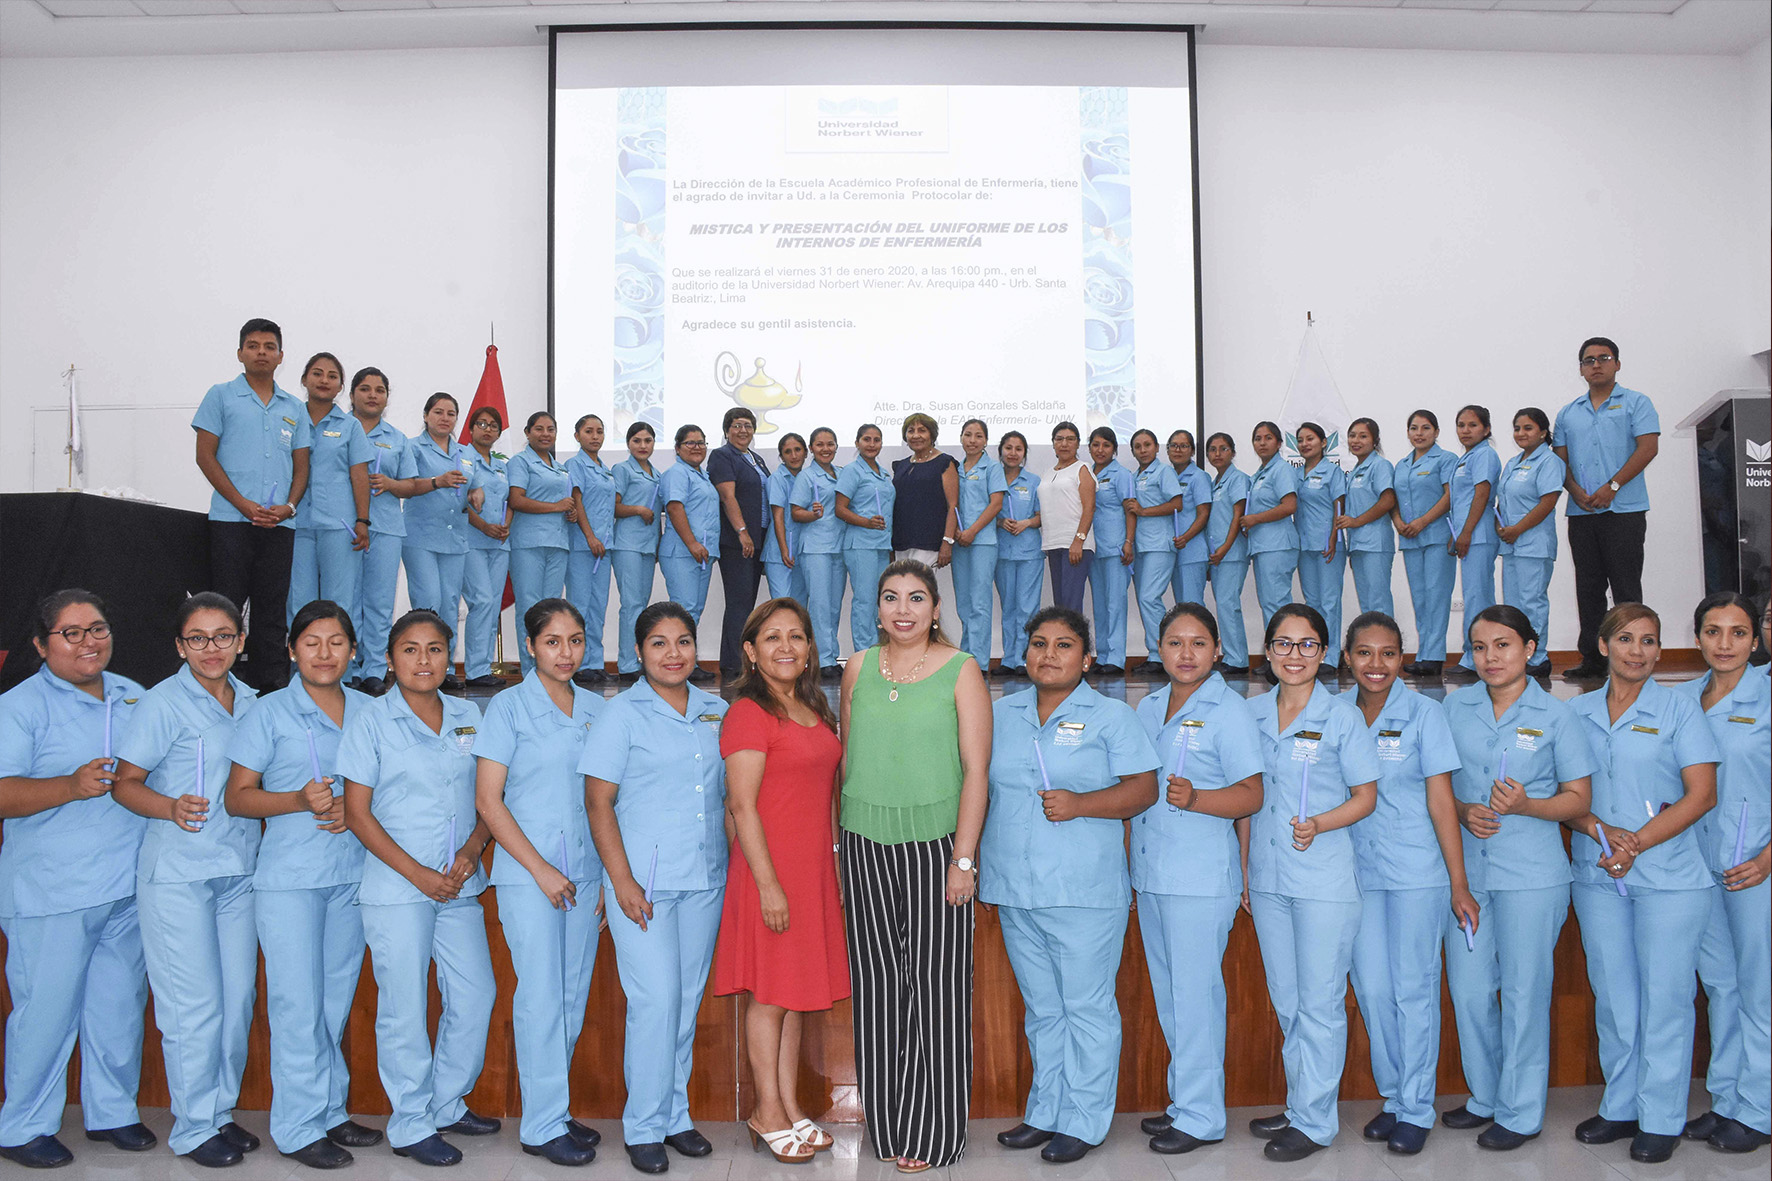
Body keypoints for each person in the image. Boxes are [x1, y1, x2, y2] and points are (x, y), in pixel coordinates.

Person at [985, 607, 1158, 1164]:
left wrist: (1082, 804)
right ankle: (1046, 1111)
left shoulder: (1110, 717)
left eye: (1063, 646)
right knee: (1043, 1008)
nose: (1048, 654)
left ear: (1086, 659)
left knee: (1085, 1008)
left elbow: (1143, 791)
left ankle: (1084, 1120)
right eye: (1039, 643)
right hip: (1015, 887)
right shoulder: (999, 714)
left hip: (1084, 890)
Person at [839, 561, 990, 1172]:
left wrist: (964, 859)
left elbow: (976, 772)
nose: (903, 609)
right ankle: (890, 1126)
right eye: (891, 598)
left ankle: (935, 1132)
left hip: (938, 849)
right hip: (863, 846)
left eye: (917, 598)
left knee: (937, 993)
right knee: (878, 994)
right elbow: (848, 759)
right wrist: (836, 845)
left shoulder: (962, 669)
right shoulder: (856, 668)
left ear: (934, 609)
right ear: (877, 608)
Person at [339, 609, 499, 1168]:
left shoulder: (468, 714)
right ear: (389, 658)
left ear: (448, 655)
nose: (423, 660)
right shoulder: (371, 721)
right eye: (410, 649)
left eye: (435, 649)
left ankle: (445, 1103)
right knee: (404, 1007)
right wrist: (418, 873)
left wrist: (472, 850)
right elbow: (357, 815)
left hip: (459, 883)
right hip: (398, 888)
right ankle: (410, 1122)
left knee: (476, 995)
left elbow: (490, 798)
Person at [224, 600, 381, 1169]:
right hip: (290, 880)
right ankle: (296, 1127)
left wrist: (360, 811)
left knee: (333, 1002)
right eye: (311, 642)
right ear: (291, 650)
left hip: (353, 875)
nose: (324, 653)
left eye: (336, 641)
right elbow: (237, 798)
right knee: (297, 1004)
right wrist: (296, 800)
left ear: (353, 649)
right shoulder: (268, 713)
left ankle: (329, 1110)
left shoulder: (372, 711)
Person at [0, 591, 153, 1171]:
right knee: (46, 1012)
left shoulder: (133, 694)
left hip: (125, 884)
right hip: (51, 892)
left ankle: (111, 1113)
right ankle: (23, 1126)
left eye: (98, 628)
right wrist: (69, 785)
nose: (89, 642)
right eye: (71, 633)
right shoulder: (20, 707)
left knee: (118, 1005)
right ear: (41, 645)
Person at [111, 592, 261, 1168]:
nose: (211, 648)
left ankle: (219, 1112)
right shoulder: (160, 703)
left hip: (238, 870)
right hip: (178, 874)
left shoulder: (252, 702)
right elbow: (126, 782)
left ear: (241, 642)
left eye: (223, 636)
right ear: (180, 646)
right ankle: (195, 1127)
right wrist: (169, 806)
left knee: (237, 999)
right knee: (192, 1007)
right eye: (196, 639)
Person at [1565, 604, 1718, 1165]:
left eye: (1649, 641)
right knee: (1616, 998)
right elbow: (1564, 796)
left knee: (1666, 1000)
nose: (1638, 650)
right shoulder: (1574, 713)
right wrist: (1601, 832)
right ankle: (1621, 1104)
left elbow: (1702, 794)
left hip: (1670, 879)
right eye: (1625, 639)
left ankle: (1660, 1117)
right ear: (1603, 647)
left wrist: (1637, 843)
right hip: (1599, 874)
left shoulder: (1679, 710)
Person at [581, 602, 729, 1175]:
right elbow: (598, 802)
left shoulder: (717, 710)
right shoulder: (622, 715)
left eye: (684, 641)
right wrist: (620, 880)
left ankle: (674, 1116)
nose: (674, 653)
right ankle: (643, 1125)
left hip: (704, 879)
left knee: (685, 1005)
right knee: (655, 1003)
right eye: (660, 643)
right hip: (641, 885)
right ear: (640, 652)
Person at [1439, 604, 1594, 1151]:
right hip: (1467, 874)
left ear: (1530, 648)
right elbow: (1439, 789)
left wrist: (1527, 805)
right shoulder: (1453, 709)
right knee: (1470, 988)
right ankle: (1485, 1096)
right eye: (1479, 647)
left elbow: (1579, 799)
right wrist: (1461, 811)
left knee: (1526, 993)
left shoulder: (1557, 716)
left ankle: (1521, 1111)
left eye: (1502, 645)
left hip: (1532, 876)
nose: (1490, 657)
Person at [1242, 603, 1379, 1162]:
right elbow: (1247, 802)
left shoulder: (1343, 717)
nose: (1293, 655)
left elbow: (1366, 797)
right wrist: (1249, 872)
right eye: (1283, 643)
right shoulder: (1249, 713)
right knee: (1288, 1000)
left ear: (1323, 654)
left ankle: (1316, 1121)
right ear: (1267, 651)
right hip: (1269, 880)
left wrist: (1320, 823)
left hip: (1323, 880)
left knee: (1320, 1003)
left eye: (1306, 645)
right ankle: (1303, 1101)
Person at [713, 599, 848, 1163]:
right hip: (769, 872)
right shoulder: (748, 713)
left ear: (810, 647)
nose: (786, 646)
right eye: (772, 637)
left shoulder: (815, 707)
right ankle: (765, 1111)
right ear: (750, 650)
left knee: (793, 997)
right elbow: (742, 808)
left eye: (797, 636)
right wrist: (768, 885)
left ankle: (789, 1106)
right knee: (770, 998)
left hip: (812, 871)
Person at [474, 600, 604, 1167]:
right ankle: (540, 1123)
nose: (566, 652)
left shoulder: (600, 708)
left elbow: (608, 799)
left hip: (587, 874)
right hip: (530, 876)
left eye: (575, 641)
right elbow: (488, 800)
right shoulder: (507, 708)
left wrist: (605, 875)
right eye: (553, 642)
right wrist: (541, 869)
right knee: (542, 997)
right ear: (530, 646)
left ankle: (552, 1105)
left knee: (572, 996)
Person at [1130, 603, 1263, 1156]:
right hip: (1154, 874)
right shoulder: (1149, 706)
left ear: (1218, 651)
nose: (1186, 654)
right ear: (1160, 649)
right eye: (1175, 643)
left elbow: (1252, 794)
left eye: (1198, 644)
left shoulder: (1229, 711)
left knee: (1195, 997)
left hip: (1200, 879)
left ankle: (1203, 1115)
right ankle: (1185, 1102)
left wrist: (1201, 798)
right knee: (1170, 997)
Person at [1341, 612, 1471, 1156]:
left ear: (1401, 658)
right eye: (1365, 653)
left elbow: (1443, 803)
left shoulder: (1424, 715)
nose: (1377, 664)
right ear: (1347, 657)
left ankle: (1416, 1107)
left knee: (1413, 989)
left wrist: (1459, 884)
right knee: (1372, 989)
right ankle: (1394, 1096)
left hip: (1417, 872)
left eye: (1389, 653)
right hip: (1355, 873)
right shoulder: (1332, 716)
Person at [1681, 592, 1771, 1154]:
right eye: (1713, 632)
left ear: (1755, 641)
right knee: (1721, 986)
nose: (1725, 644)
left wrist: (1767, 858)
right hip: (1698, 866)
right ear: (1697, 639)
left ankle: (1759, 1108)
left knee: (1760, 990)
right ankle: (1727, 1101)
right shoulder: (1683, 700)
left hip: (1755, 866)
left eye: (1738, 633)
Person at [192, 318, 310, 692]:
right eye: (254, 345)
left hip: (279, 526)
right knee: (224, 609)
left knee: (272, 611)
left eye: (269, 346)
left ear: (280, 356)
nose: (262, 352)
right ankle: (217, 686)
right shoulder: (221, 396)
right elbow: (205, 457)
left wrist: (289, 508)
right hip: (230, 521)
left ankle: (272, 689)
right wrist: (243, 504)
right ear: (240, 352)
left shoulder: (294, 407)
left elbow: (302, 467)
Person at [1555, 338, 1661, 680]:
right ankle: (1593, 659)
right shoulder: (1568, 413)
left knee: (1626, 587)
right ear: (1581, 369)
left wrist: (1612, 487)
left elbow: (1647, 448)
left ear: (1617, 363)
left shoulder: (1636, 403)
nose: (1596, 364)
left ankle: (1634, 657)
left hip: (1625, 511)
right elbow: (1560, 461)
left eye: (1604, 358)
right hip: (1582, 513)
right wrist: (1575, 491)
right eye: (1588, 360)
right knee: (1588, 588)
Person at [288, 351, 371, 630]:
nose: (324, 380)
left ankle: (341, 674)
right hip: (294, 523)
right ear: (304, 379)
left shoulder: (350, 426)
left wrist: (362, 520)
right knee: (299, 603)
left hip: (339, 525)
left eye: (332, 376)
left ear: (340, 387)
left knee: (339, 603)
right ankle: (300, 672)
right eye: (317, 373)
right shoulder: (289, 418)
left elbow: (359, 475)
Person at [402, 393, 476, 692]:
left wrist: (476, 494)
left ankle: (444, 668)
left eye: (451, 413)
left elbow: (475, 485)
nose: (445, 418)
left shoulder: (466, 452)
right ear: (426, 415)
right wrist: (437, 481)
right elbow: (407, 486)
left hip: (455, 538)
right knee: (428, 602)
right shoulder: (413, 447)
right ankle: (421, 668)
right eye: (438, 412)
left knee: (449, 606)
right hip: (421, 537)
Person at [351, 366, 412, 696]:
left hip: (386, 529)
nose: (372, 394)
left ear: (386, 398)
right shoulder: (339, 429)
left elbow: (411, 484)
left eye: (379, 390)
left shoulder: (397, 439)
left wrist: (391, 484)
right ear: (352, 395)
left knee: (377, 603)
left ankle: (373, 668)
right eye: (365, 388)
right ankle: (346, 667)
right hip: (343, 527)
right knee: (346, 600)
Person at [1496, 409, 1565, 679]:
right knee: (1513, 606)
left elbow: (1547, 503)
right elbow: (1502, 500)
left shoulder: (1549, 461)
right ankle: (1517, 657)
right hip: (1511, 544)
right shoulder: (1513, 462)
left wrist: (1517, 529)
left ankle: (1537, 658)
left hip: (1534, 545)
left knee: (1532, 604)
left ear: (1543, 432)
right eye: (1517, 428)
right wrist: (1501, 526)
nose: (1521, 434)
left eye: (1528, 428)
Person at [507, 412, 575, 677]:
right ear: (527, 432)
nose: (545, 434)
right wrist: (556, 506)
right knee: (529, 606)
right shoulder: (520, 462)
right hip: (529, 543)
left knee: (551, 609)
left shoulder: (559, 467)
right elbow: (516, 500)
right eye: (539, 429)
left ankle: (548, 668)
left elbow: (563, 502)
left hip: (558, 543)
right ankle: (530, 670)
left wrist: (570, 512)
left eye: (550, 429)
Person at [1391, 410, 1457, 677]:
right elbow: (1392, 499)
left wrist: (1423, 521)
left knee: (1437, 596)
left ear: (1437, 432)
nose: (1419, 433)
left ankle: (1434, 656)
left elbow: (1450, 496)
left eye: (1426, 428)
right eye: (1414, 428)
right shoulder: (1402, 464)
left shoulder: (1446, 459)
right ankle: (1423, 654)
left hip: (1437, 536)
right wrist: (1397, 520)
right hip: (1409, 539)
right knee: (1420, 598)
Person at [709, 407, 771, 677]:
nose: (742, 430)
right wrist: (742, 531)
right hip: (738, 542)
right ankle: (735, 664)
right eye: (736, 425)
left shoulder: (755, 459)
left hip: (757, 540)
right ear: (726, 430)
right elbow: (728, 497)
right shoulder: (722, 456)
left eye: (747, 425)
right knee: (739, 604)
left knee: (746, 603)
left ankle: (734, 661)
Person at [657, 424, 720, 683]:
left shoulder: (701, 475)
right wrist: (693, 543)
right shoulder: (676, 474)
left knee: (694, 609)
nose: (697, 448)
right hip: (682, 551)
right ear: (677, 448)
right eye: (690, 443)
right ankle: (679, 663)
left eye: (701, 443)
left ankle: (687, 662)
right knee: (684, 610)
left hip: (703, 553)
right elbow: (674, 509)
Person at [790, 427, 846, 679]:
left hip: (838, 546)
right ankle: (822, 661)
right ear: (811, 448)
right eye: (820, 444)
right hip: (815, 548)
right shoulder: (806, 477)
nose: (826, 449)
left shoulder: (843, 474)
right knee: (820, 605)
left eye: (830, 444)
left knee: (834, 606)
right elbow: (795, 513)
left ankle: (831, 656)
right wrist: (812, 514)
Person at [461, 406, 511, 690]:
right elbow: (460, 500)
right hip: (472, 541)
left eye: (493, 425)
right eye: (482, 423)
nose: (488, 429)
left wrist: (506, 525)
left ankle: (483, 666)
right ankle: (474, 669)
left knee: (491, 606)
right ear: (471, 428)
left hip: (500, 543)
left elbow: (511, 500)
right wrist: (483, 526)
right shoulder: (462, 458)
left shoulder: (502, 464)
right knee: (481, 601)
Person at [835, 423, 896, 655]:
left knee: (881, 600)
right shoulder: (852, 470)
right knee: (864, 600)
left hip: (881, 544)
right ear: (857, 442)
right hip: (860, 544)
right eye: (867, 439)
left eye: (876, 440)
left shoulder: (884, 473)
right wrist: (866, 522)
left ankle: (879, 649)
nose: (872, 444)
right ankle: (864, 652)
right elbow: (840, 509)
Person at [1291, 423, 1348, 671]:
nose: (1305, 444)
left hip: (1328, 543)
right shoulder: (1295, 473)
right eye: (1301, 440)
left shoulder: (1332, 472)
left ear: (1324, 443)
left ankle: (1331, 655)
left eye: (1310, 439)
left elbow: (1339, 506)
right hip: (1304, 545)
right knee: (1312, 602)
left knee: (1330, 601)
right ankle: (1315, 652)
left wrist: (1334, 536)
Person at [952, 419, 1007, 673]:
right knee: (963, 602)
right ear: (961, 438)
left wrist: (973, 531)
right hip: (959, 542)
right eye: (968, 435)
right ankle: (966, 658)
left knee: (980, 603)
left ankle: (980, 662)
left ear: (986, 441)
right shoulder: (955, 468)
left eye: (978, 436)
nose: (972, 440)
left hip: (982, 541)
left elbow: (996, 504)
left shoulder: (993, 468)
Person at [1242, 422, 1298, 667]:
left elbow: (1289, 506)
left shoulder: (1281, 470)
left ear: (1279, 443)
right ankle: (1277, 654)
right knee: (1269, 603)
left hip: (1278, 545)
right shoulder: (1260, 474)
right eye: (1257, 438)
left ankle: (1284, 655)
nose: (1262, 443)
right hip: (1264, 546)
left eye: (1268, 438)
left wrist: (1255, 518)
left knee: (1277, 604)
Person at [1449, 406, 1500, 676]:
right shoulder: (1466, 458)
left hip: (1478, 537)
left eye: (1472, 425)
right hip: (1467, 536)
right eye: (1461, 425)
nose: (1465, 430)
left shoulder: (1485, 456)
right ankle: (1478, 655)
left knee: (1478, 598)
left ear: (1486, 429)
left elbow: (1482, 495)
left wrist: (1466, 532)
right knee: (1474, 596)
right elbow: (1459, 501)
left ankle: (1474, 658)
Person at [566, 414, 617, 686]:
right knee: (580, 606)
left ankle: (595, 662)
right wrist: (590, 537)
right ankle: (579, 663)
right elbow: (577, 501)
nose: (595, 436)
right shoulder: (575, 465)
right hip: (583, 546)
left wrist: (602, 540)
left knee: (598, 606)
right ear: (577, 436)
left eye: (599, 431)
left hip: (604, 547)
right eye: (588, 431)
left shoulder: (605, 468)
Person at [1129, 430, 1185, 672]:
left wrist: (1145, 511)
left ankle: (1163, 655)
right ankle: (1155, 653)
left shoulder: (1164, 471)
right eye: (1138, 446)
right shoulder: (1134, 476)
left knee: (1149, 597)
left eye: (1147, 445)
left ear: (1156, 448)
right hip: (1142, 545)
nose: (1143, 450)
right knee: (1146, 600)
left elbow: (1177, 503)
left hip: (1160, 544)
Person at [611, 422, 663, 684]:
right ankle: (627, 664)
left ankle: (638, 660)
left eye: (648, 441)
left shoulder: (657, 474)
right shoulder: (622, 469)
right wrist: (639, 510)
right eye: (637, 441)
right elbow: (614, 507)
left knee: (641, 607)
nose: (643, 446)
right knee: (631, 605)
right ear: (628, 444)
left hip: (647, 547)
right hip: (627, 545)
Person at [1084, 428, 1136, 674]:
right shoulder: (1086, 474)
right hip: (1093, 549)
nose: (1100, 450)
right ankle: (1102, 656)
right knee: (1100, 605)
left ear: (1114, 449)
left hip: (1116, 548)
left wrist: (1128, 541)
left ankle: (1116, 658)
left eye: (1106, 445)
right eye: (1095, 445)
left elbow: (1130, 510)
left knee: (1115, 604)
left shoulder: (1121, 474)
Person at [1334, 418, 1395, 619]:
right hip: (1359, 545)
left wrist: (1356, 521)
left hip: (1375, 544)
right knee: (1367, 603)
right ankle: (1370, 648)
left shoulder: (1380, 465)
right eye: (1352, 436)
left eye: (1363, 436)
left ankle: (1387, 649)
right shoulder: (1354, 472)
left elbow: (1387, 501)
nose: (1356, 440)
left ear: (1375, 440)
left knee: (1379, 601)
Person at [994, 431, 1044, 678]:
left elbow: (1043, 515)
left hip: (1029, 553)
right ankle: (1008, 658)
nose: (1013, 453)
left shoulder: (1034, 481)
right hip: (1002, 552)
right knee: (1009, 608)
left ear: (1025, 453)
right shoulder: (992, 478)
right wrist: (1000, 522)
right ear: (1001, 450)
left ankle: (1024, 660)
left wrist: (1026, 523)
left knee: (1027, 608)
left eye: (1018, 449)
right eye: (1008, 448)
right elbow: (984, 511)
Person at [1204, 433, 1252, 674]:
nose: (1217, 454)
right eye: (1212, 450)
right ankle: (1234, 656)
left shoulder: (1238, 479)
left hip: (1231, 553)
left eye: (1223, 449)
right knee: (1224, 604)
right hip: (1218, 556)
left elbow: (1238, 516)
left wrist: (1224, 548)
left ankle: (1237, 660)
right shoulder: (1216, 482)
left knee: (1227, 603)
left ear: (1233, 452)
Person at [890, 412, 960, 569]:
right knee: (904, 590)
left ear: (932, 435)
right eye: (911, 430)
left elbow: (953, 505)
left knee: (920, 589)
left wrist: (947, 541)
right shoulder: (901, 466)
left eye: (922, 430)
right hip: (901, 542)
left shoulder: (944, 463)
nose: (916, 435)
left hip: (929, 542)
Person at [1042, 421, 1097, 615]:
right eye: (1059, 439)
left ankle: (1077, 645)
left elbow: (1089, 507)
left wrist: (1078, 540)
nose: (1064, 444)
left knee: (1071, 606)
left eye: (1070, 439)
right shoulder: (1048, 473)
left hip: (1075, 545)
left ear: (1077, 444)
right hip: (1053, 544)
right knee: (1060, 605)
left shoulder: (1082, 468)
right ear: (1053, 444)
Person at [1166, 430, 1214, 613]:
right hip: (1174, 551)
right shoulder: (1167, 475)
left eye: (1184, 446)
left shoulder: (1199, 477)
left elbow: (1204, 514)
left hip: (1192, 551)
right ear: (1168, 450)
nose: (1178, 450)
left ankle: (1202, 641)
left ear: (1192, 451)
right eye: (1174, 446)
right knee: (1181, 608)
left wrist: (1185, 537)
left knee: (1193, 607)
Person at [764, 432, 811, 606]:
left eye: (798, 450)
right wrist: (784, 549)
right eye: (788, 452)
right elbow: (777, 516)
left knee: (799, 606)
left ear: (806, 452)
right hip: (779, 553)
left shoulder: (808, 478)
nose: (794, 456)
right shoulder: (777, 479)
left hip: (801, 551)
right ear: (781, 456)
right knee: (781, 604)